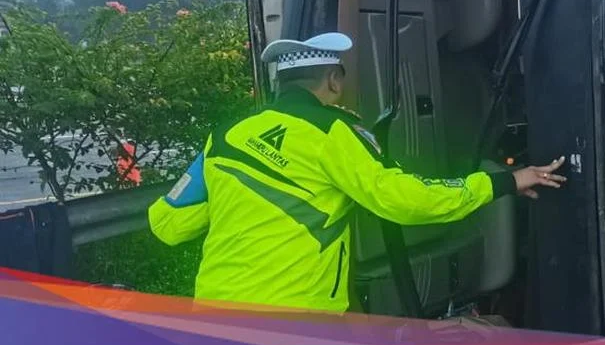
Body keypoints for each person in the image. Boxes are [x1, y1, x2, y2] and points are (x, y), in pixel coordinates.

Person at [147, 32, 566, 313]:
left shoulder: (227, 135)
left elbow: (169, 224)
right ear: (333, 80)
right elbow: (406, 200)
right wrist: (505, 180)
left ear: (280, 83)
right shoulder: (333, 132)